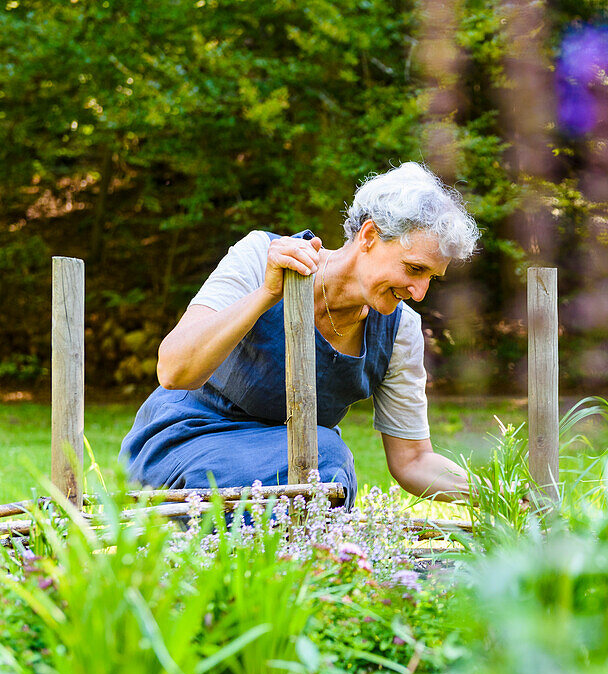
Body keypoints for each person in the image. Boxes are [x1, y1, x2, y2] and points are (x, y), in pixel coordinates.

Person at [120, 162, 478, 508]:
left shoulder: (400, 331)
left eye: (431, 277)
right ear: (369, 236)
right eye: (414, 269)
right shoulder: (260, 256)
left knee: (322, 461)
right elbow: (173, 369)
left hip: (294, 462)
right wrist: (267, 294)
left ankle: (271, 557)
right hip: (187, 445)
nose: (419, 292)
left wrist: (499, 493)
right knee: (327, 457)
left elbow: (413, 460)